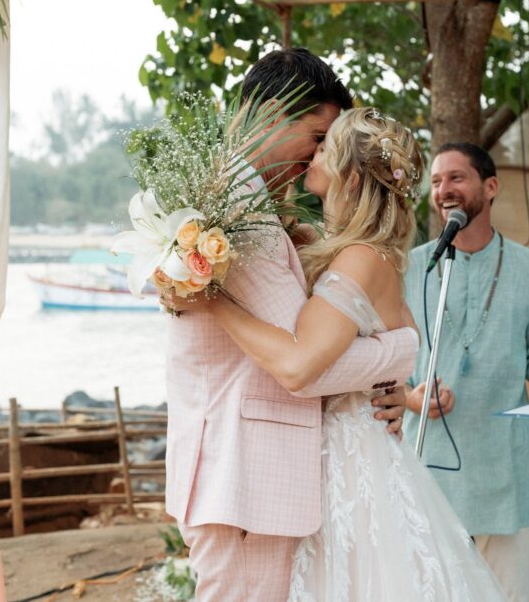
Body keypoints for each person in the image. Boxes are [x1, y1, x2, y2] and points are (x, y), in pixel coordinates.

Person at [170, 109, 509, 601]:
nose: (314, 151)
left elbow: (299, 365)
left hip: (350, 464)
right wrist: (396, 359)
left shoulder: (361, 256)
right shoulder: (346, 248)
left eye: (326, 146)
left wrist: (211, 298)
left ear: (349, 176)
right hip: (337, 454)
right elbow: (397, 331)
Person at [159, 49, 416, 602]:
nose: (317, 155)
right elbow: (305, 363)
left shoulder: (249, 204)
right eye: (316, 136)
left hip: (254, 479)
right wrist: (398, 354)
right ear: (273, 113)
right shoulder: (236, 209)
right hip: (244, 478)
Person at [403, 142, 529, 601]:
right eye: (435, 181)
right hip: (427, 468)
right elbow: (390, 360)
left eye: (456, 177)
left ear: (491, 187)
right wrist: (412, 396)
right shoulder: (410, 267)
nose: (444, 189)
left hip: (506, 473)